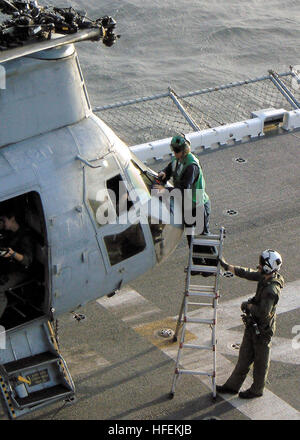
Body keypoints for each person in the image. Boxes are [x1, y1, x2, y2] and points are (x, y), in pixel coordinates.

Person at [217, 249, 284, 399]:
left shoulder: (271, 290)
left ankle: (257, 390)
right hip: (253, 326)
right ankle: (232, 386)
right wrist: (227, 266)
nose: (258, 266)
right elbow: (247, 273)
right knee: (244, 357)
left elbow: (262, 312)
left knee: (260, 363)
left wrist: (248, 306)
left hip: (262, 330)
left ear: (267, 266)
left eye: (261, 263)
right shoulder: (266, 276)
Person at [156, 134, 211, 236]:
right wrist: (164, 173)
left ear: (184, 150)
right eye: (174, 150)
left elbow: (183, 190)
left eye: (177, 151)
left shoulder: (191, 166)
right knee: (191, 239)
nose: (174, 153)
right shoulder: (178, 159)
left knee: (203, 241)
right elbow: (169, 169)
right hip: (188, 206)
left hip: (198, 207)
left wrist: (165, 190)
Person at [0, 210, 35, 320]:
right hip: (11, 267)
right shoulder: (10, 234)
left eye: (3, 220)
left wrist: (13, 254)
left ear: (12, 218)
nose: (2, 223)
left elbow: (27, 260)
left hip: (22, 271)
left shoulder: (25, 236)